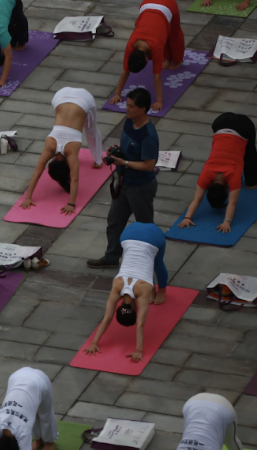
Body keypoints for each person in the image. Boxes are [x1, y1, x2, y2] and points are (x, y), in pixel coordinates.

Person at [90, 88, 159, 268]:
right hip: (123, 183)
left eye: (130, 106)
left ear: (142, 109)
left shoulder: (149, 135)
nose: (126, 108)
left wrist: (124, 162)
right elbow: (126, 143)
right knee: (114, 222)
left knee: (145, 227)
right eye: (126, 105)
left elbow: (149, 165)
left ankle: (147, 261)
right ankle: (112, 257)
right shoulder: (129, 122)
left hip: (141, 187)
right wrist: (117, 149)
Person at [82, 221, 167, 364]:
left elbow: (140, 324)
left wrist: (139, 351)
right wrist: (93, 342)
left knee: (157, 264)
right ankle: (157, 290)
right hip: (129, 232)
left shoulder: (142, 294)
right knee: (148, 263)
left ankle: (162, 292)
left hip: (153, 236)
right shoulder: (117, 287)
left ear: (135, 308)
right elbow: (107, 317)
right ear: (120, 306)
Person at [19, 87, 106, 216]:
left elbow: (75, 179)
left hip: (84, 98)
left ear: (67, 169)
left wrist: (71, 204)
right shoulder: (49, 146)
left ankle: (99, 161)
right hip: (60, 95)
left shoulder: (71, 152)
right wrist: (28, 197)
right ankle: (98, 159)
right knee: (90, 130)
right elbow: (36, 173)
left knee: (91, 130)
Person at [180, 112, 257, 233]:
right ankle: (251, 181)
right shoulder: (205, 175)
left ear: (226, 190)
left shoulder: (234, 177)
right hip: (221, 121)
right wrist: (187, 217)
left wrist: (227, 221)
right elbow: (197, 199)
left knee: (250, 153)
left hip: (243, 126)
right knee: (248, 153)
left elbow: (233, 203)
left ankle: (252, 183)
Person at [109, 0, 185, 112]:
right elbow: (126, 70)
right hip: (147, 3)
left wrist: (159, 101)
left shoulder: (156, 46)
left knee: (174, 34)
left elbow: (157, 77)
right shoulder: (131, 45)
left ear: (146, 59)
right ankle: (168, 59)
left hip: (168, 5)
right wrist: (117, 94)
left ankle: (176, 60)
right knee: (163, 34)